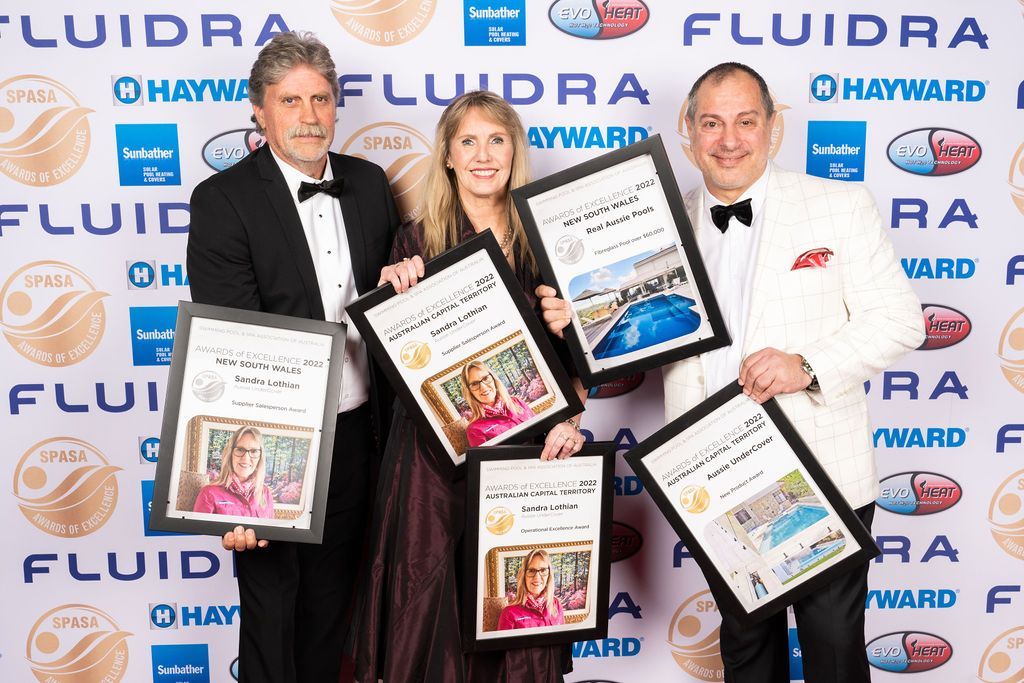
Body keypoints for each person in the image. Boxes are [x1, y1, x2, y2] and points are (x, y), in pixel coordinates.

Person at [539, 62, 924, 683]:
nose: (728, 140)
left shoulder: (839, 206)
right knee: (746, 653)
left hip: (823, 472)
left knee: (833, 652)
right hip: (713, 476)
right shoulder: (659, 226)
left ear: (771, 128)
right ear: (689, 132)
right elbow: (628, 336)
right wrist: (575, 323)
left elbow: (902, 322)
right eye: (712, 123)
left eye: (746, 122)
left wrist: (806, 365)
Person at [350, 90, 586, 683]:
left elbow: (586, 361)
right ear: (448, 156)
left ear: (514, 151)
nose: (484, 155)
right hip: (431, 465)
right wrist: (393, 297)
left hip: (527, 451)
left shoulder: (549, 238)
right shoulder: (415, 243)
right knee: (432, 611)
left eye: (497, 140)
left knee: (516, 611)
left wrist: (572, 410)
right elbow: (395, 365)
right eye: (469, 142)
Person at [185, 31, 399, 683]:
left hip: (360, 441)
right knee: (273, 622)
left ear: (336, 106)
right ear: (259, 110)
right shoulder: (223, 201)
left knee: (332, 620)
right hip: (270, 451)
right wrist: (236, 494)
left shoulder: (369, 184)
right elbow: (229, 347)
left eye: (321, 99)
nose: (309, 116)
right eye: (290, 101)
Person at [193, 426, 274, 518]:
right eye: (240, 449)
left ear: (260, 457)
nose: (246, 458)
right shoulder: (209, 493)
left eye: (254, 451)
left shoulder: (266, 493)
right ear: (230, 454)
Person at [461, 360, 534, 447]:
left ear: (493, 379)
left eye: (485, 378)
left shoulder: (516, 401)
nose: (483, 387)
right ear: (469, 391)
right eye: (474, 384)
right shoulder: (474, 430)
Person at [497, 549, 565, 630]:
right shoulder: (508, 613)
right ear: (524, 576)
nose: (537, 577)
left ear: (549, 575)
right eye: (531, 571)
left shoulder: (556, 604)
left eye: (543, 570)